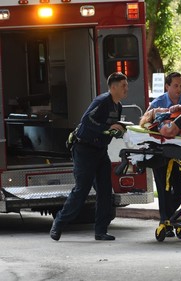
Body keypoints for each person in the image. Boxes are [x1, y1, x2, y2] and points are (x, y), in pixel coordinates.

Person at [50, 72, 128, 241]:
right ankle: (59, 222)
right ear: (113, 87)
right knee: (81, 190)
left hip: (100, 151)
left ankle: (100, 231)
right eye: (123, 85)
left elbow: (109, 128)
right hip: (84, 150)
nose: (126, 89)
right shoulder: (101, 101)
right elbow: (87, 121)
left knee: (105, 191)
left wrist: (118, 130)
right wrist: (106, 128)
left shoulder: (118, 106)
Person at [146, 72, 181, 237]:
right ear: (167, 86)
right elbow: (147, 123)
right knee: (164, 188)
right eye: (176, 86)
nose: (179, 89)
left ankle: (168, 218)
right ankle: (165, 222)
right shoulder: (158, 103)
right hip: (162, 151)